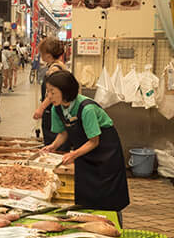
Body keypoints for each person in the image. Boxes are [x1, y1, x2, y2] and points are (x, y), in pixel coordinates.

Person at [42, 70, 129, 219]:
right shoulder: (57, 108)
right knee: (87, 189)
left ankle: (115, 223)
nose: (48, 96)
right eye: (47, 92)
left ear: (66, 91)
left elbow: (94, 140)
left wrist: (74, 154)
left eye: (52, 92)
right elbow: (63, 133)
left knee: (109, 193)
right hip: (85, 150)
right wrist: (53, 146)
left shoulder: (86, 108)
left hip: (105, 151)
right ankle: (90, 220)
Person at [32, 37, 68, 146]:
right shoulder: (58, 65)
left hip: (53, 111)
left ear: (48, 55)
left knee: (53, 141)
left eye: (41, 53)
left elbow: (52, 93)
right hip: (55, 109)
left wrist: (41, 108)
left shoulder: (54, 69)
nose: (40, 55)